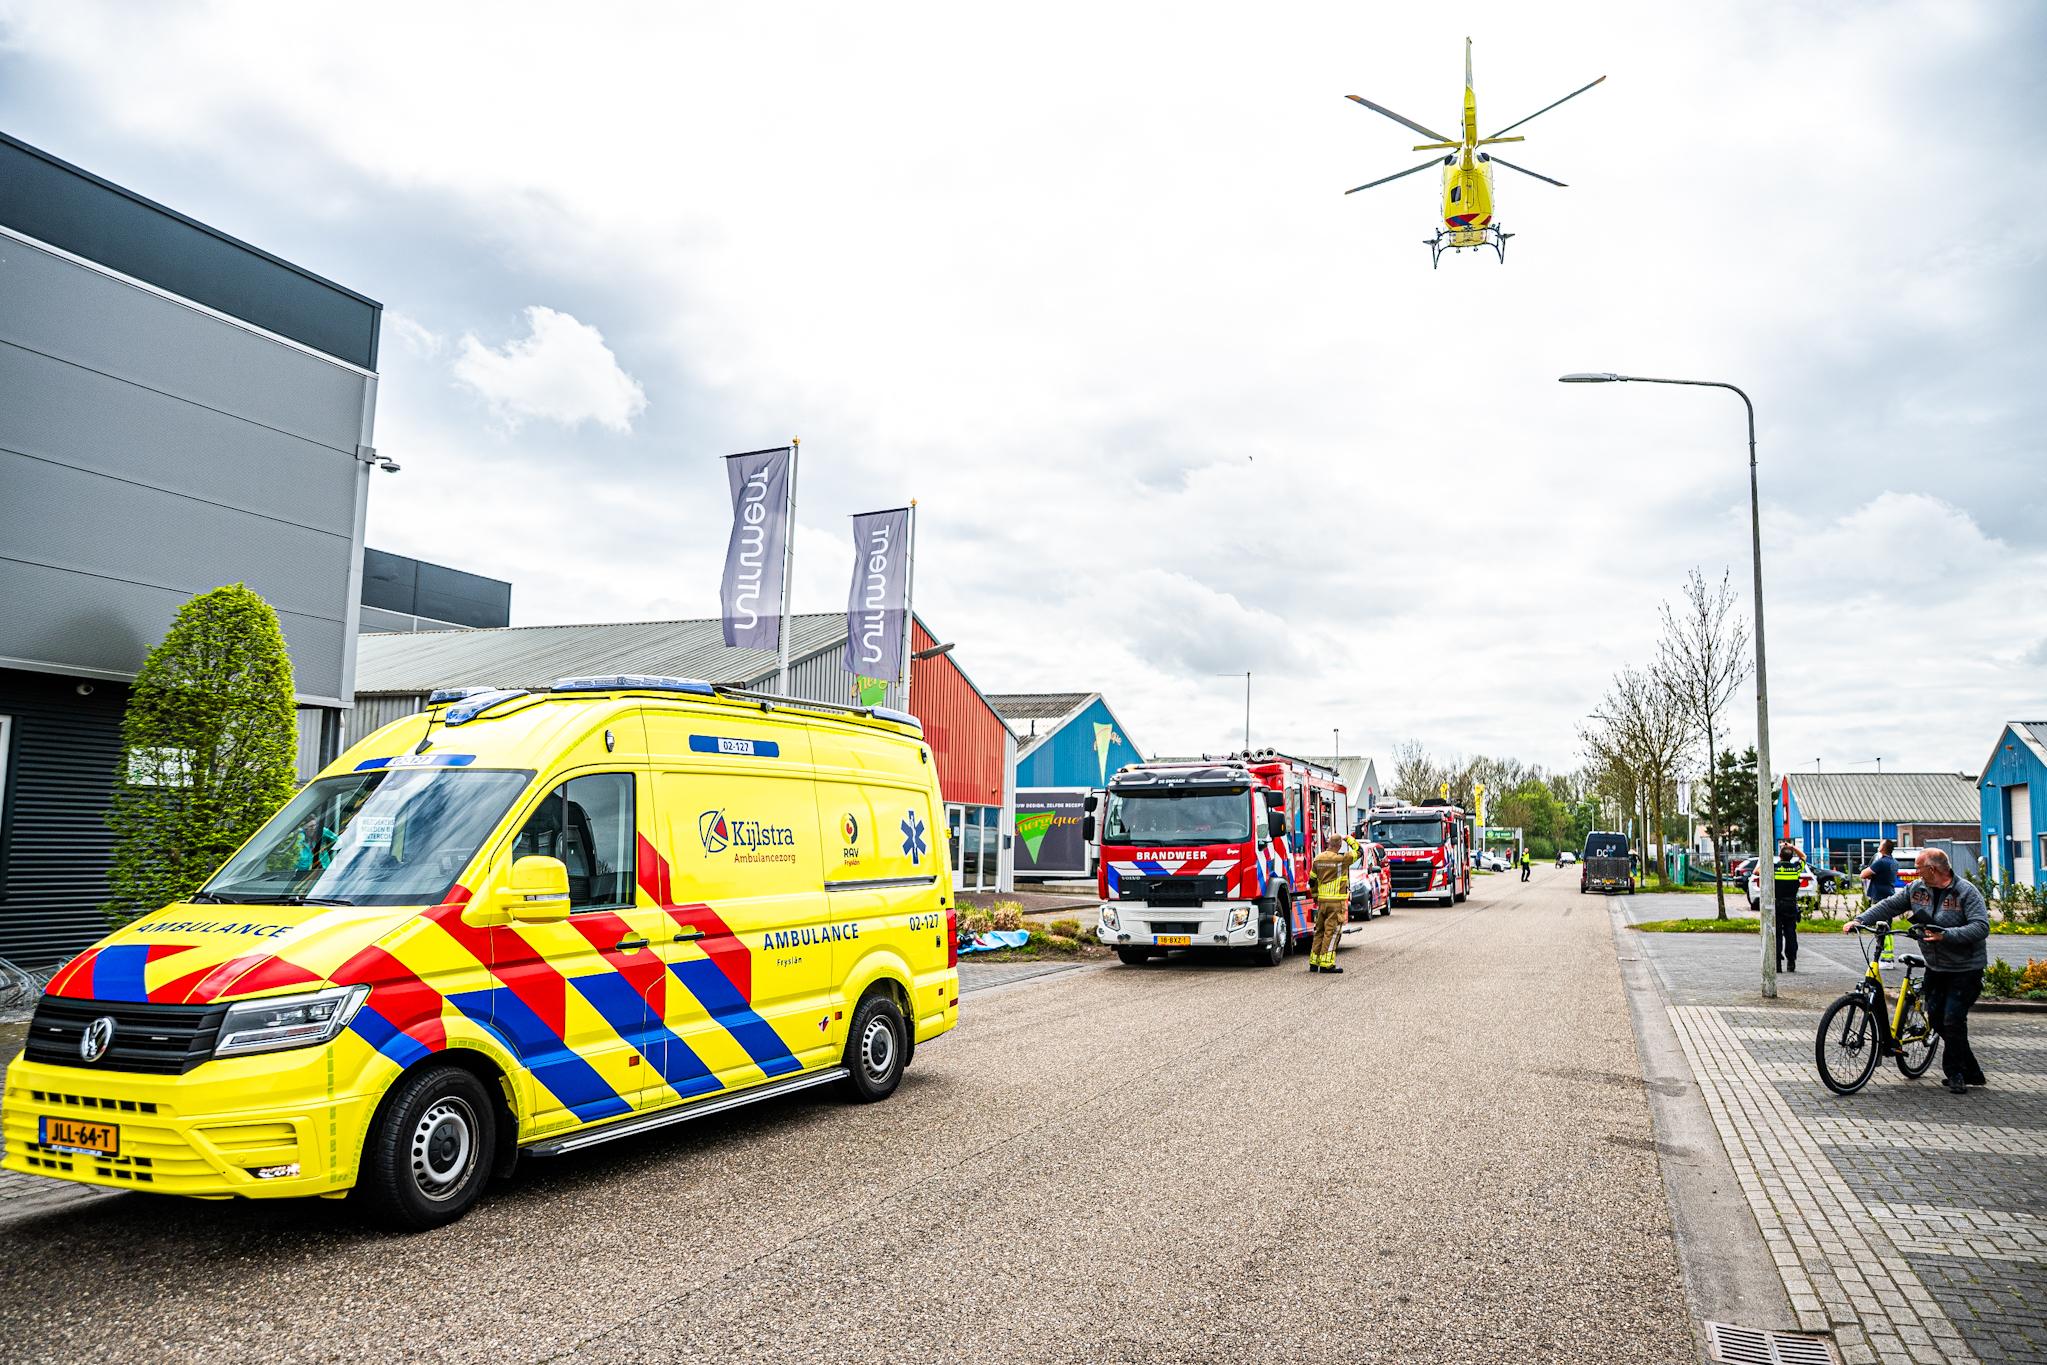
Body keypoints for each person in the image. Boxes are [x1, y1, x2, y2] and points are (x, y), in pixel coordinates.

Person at [1846, 848, 1990, 1093]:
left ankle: (1955, 1073)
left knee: (1952, 1019)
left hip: (1965, 969)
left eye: (1918, 867)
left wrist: (1946, 936)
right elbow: (1889, 905)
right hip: (1936, 967)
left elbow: (1981, 927)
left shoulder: (1966, 892)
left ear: (1933, 869)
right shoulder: (1917, 890)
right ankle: (1973, 1070)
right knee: (1935, 1018)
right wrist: (1860, 920)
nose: (1915, 872)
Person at [1308, 833, 1358, 974]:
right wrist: (1348, 838)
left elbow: (1311, 881)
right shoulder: (1342, 860)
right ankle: (1327, 964)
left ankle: (1314, 962)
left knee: (1319, 931)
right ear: (1339, 845)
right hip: (1336, 903)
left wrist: (1315, 897)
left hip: (1322, 902)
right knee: (1332, 932)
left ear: (1328, 844)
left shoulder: (1318, 859)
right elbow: (1359, 851)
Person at [1770, 841, 1803, 973]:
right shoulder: (1795, 869)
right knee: (1790, 933)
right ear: (1791, 856)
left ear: (1780, 856)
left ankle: (1777, 963)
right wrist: (1792, 847)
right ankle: (1791, 961)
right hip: (1791, 905)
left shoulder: (1774, 868)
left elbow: (1756, 871)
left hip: (1777, 905)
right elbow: (1804, 857)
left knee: (1777, 934)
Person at [1860, 838, 1899, 906]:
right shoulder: (1894, 862)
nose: (1879, 846)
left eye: (1880, 844)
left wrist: (1870, 875)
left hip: (1878, 896)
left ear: (1883, 848)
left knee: (1876, 915)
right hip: (1890, 894)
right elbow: (1884, 874)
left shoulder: (1881, 862)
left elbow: (1863, 875)